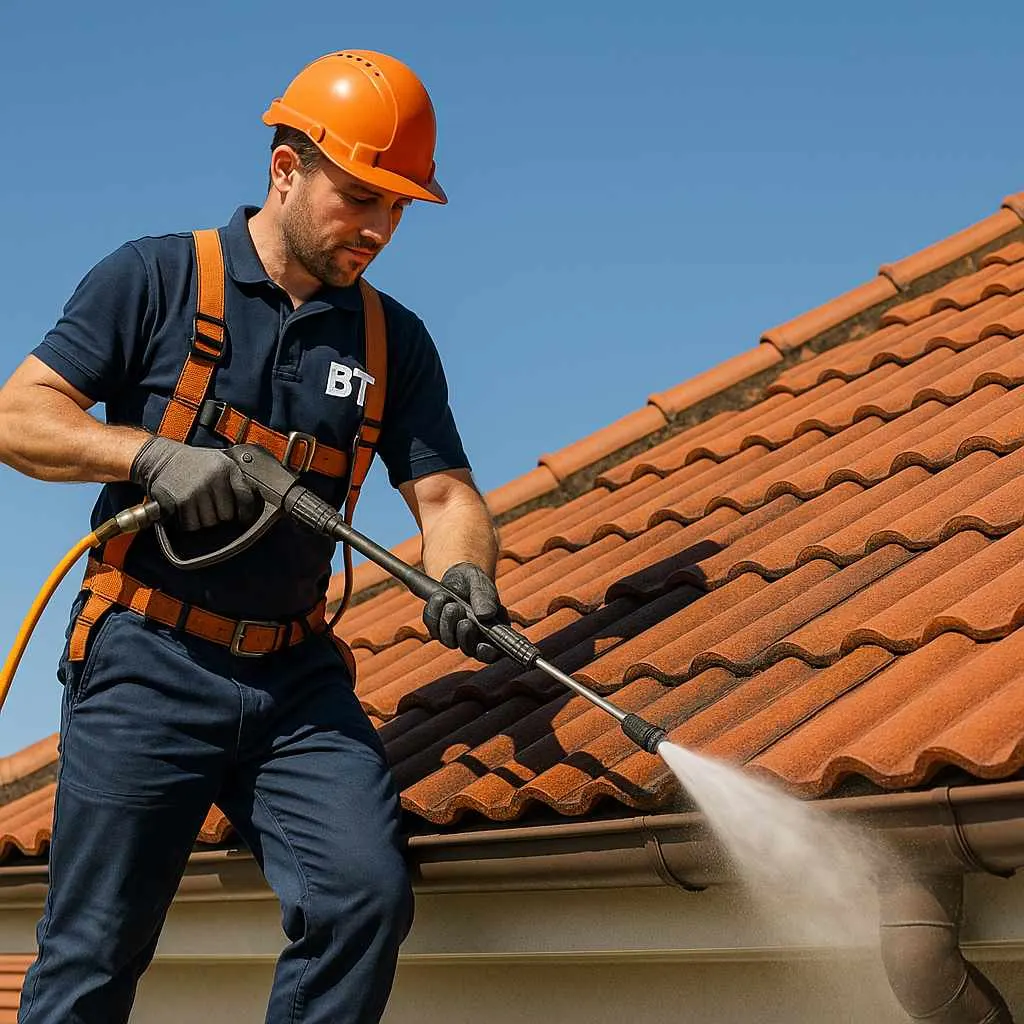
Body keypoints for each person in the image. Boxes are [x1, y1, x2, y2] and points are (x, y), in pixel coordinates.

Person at [0, 49, 503, 1024]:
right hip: (145, 653)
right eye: (360, 197)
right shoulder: (155, 278)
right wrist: (149, 458)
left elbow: (444, 497)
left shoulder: (393, 342)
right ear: (285, 168)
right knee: (95, 950)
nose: (380, 228)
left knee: (363, 895)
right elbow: (20, 413)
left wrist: (465, 573)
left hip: (294, 679)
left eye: (398, 208)